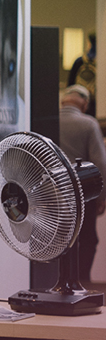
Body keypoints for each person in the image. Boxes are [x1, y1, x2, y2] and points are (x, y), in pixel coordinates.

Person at [58, 84, 106, 285]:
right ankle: (82, 283)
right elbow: (100, 163)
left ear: (63, 101)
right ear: (85, 104)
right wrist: (102, 196)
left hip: (50, 196)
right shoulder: (88, 124)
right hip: (81, 195)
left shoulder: (48, 121)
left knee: (58, 239)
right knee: (86, 239)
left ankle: (58, 282)